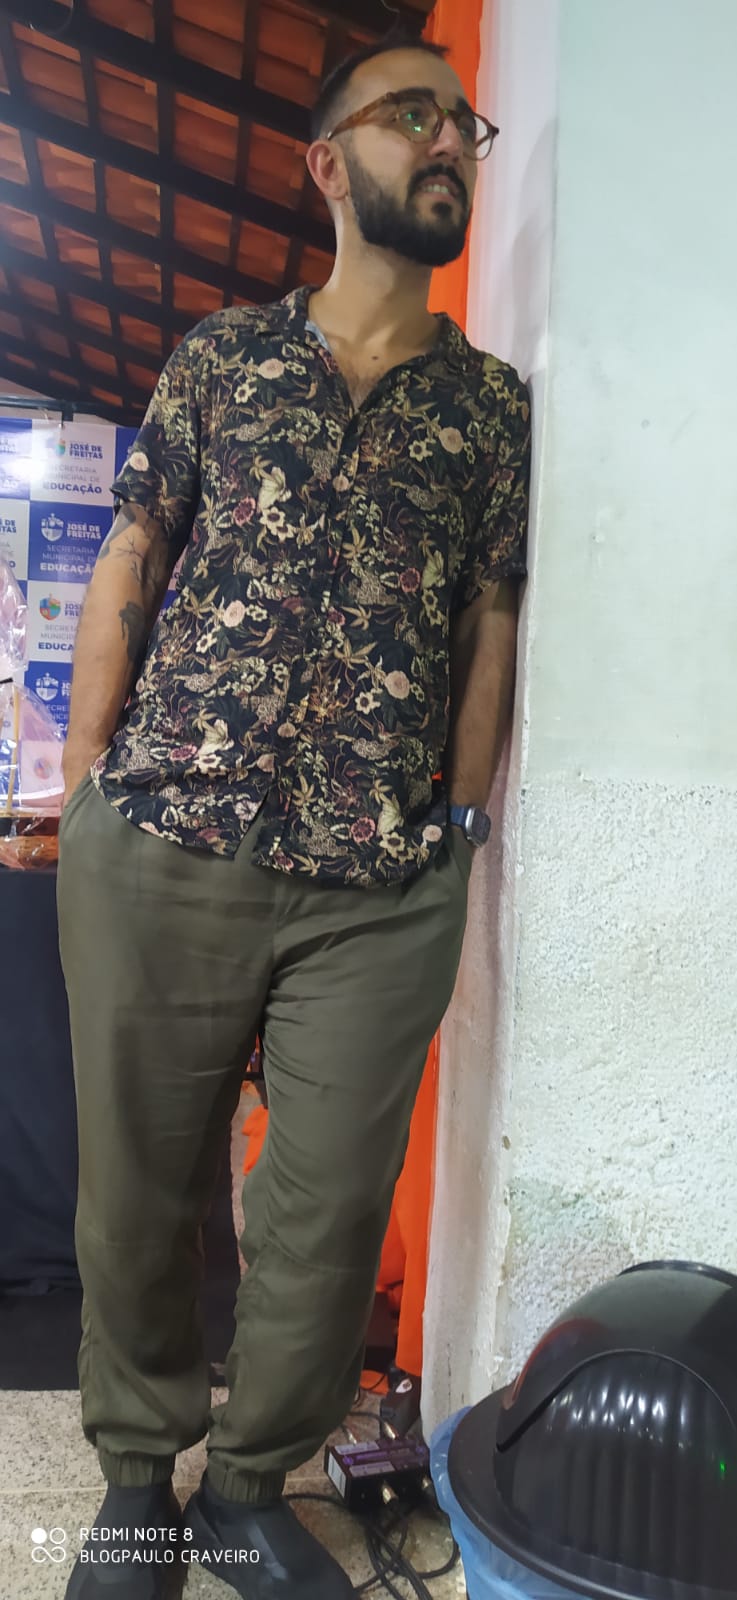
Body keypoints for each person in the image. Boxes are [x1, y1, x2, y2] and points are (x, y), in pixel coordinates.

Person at [57, 22, 531, 1600]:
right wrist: (94, 776)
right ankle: (139, 1481)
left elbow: (489, 623)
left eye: (461, 122)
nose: (447, 139)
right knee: (140, 1192)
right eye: (411, 115)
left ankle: (252, 1486)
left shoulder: (489, 408)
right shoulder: (219, 358)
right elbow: (133, 554)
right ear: (328, 164)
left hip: (376, 883)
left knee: (324, 1214)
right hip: (163, 844)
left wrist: (457, 831)